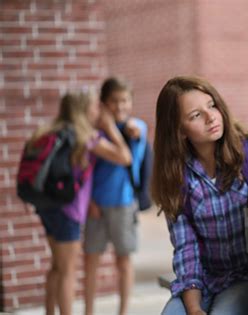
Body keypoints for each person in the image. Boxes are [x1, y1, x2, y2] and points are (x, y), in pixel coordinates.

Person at [153, 75, 248, 315]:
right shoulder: (177, 179)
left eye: (212, 105)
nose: (211, 117)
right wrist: (194, 308)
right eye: (196, 115)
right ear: (179, 130)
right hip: (205, 281)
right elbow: (187, 251)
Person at [34, 90, 132, 315]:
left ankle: (50, 312)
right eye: (95, 107)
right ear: (84, 109)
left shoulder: (49, 132)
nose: (99, 111)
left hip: (46, 206)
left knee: (57, 265)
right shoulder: (86, 137)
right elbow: (125, 157)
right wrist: (109, 127)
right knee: (68, 270)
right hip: (69, 211)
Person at [83, 77, 148, 315]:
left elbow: (130, 159)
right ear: (103, 103)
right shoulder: (93, 133)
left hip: (124, 204)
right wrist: (89, 200)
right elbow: (85, 170)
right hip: (96, 204)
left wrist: (113, 128)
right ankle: (88, 311)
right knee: (91, 259)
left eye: (125, 100)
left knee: (124, 260)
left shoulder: (137, 128)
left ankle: (123, 312)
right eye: (114, 101)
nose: (120, 106)